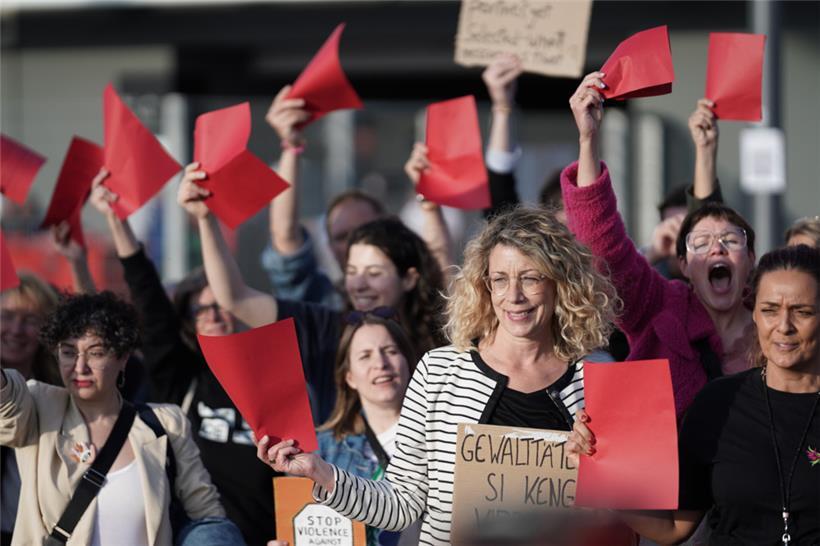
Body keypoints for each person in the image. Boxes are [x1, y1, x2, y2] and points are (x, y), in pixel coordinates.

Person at [256, 206, 619, 545]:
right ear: (484, 286)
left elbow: (631, 516)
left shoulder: (599, 376)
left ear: (561, 284)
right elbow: (400, 505)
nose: (514, 296)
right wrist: (320, 472)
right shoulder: (439, 371)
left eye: (531, 278)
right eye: (500, 280)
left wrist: (593, 477)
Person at [569, 244, 820, 544]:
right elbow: (672, 528)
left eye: (802, 312)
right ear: (753, 313)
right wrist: (598, 469)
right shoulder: (718, 403)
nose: (784, 326)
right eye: (769, 310)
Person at [87, 168, 279, 545]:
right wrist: (117, 220)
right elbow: (150, 300)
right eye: (201, 310)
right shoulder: (180, 378)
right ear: (188, 325)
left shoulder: (271, 380)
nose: (215, 315)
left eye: (222, 305)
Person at [563, 72, 757, 417]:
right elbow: (602, 247)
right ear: (683, 265)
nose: (717, 249)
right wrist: (588, 139)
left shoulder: (776, 321)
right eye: (701, 243)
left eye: (730, 240)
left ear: (751, 258)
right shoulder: (662, 308)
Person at [177, 161, 447, 387]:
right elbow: (235, 298)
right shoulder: (326, 328)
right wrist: (205, 219)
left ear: (410, 278)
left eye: (375, 273)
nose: (360, 284)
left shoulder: (442, 339)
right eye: (352, 271)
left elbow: (440, 261)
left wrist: (431, 205)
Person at [0, 291, 229, 546]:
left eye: (96, 352)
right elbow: (6, 406)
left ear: (123, 357)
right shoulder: (39, 404)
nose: (80, 366)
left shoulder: (165, 424)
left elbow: (207, 516)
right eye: (68, 352)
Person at [260, 85, 451, 308]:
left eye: (365, 231)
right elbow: (285, 238)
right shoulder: (322, 306)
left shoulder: (414, 303)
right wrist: (291, 145)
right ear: (329, 246)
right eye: (341, 236)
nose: (354, 243)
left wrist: (429, 204)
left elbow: (439, 272)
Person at [316, 313, 417, 545]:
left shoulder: (445, 435)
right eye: (365, 356)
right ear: (349, 377)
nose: (380, 364)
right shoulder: (321, 451)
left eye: (390, 351)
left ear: (409, 363)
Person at [1, 272, 60, 545]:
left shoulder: (65, 391)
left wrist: (77, 262)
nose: (16, 329)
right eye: (7, 316)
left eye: (30, 320)